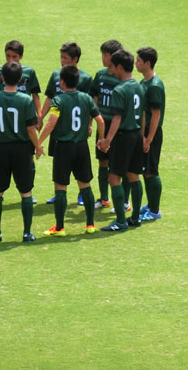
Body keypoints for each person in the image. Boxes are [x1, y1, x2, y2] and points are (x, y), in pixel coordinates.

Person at [37, 65, 105, 236]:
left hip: (63, 148)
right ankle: (90, 225)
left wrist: (38, 143)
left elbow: (51, 123)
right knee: (85, 185)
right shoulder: (86, 98)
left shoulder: (58, 100)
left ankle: (60, 227)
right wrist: (102, 139)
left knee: (61, 187)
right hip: (82, 147)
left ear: (62, 82)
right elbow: (100, 121)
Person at [0, 61, 43, 242]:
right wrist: (38, 146)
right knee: (26, 192)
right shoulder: (25, 100)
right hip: (22, 150)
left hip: (1, 148)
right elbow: (30, 128)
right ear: (21, 79)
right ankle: (27, 233)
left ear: (2, 78)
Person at [0, 39, 42, 204]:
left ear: (21, 56)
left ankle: (28, 189)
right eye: (8, 56)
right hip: (6, 120)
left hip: (25, 120)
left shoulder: (29, 72)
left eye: (14, 56)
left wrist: (39, 116)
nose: (10, 60)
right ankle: (3, 191)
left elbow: (35, 95)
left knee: (29, 157)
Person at [40, 42, 93, 204]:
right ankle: (59, 192)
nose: (62, 61)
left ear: (75, 59)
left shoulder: (86, 78)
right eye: (61, 57)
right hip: (58, 126)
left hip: (76, 129)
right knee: (59, 160)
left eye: (65, 58)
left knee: (79, 161)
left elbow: (90, 104)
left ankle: (82, 193)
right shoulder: (56, 75)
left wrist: (89, 124)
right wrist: (40, 117)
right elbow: (49, 97)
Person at [100, 49, 145, 232]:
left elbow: (117, 118)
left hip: (123, 137)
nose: (111, 70)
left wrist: (107, 140)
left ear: (119, 67)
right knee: (133, 176)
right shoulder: (139, 86)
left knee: (113, 177)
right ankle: (135, 217)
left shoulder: (119, 90)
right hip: (137, 134)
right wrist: (143, 136)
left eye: (113, 66)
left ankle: (120, 221)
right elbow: (142, 114)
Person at [89, 39, 123, 211]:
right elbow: (94, 100)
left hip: (117, 127)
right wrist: (89, 123)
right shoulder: (100, 75)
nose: (103, 58)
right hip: (102, 125)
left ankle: (123, 202)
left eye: (106, 55)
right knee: (103, 161)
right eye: (102, 54)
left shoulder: (121, 78)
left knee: (118, 165)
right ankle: (104, 199)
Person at [136, 47, 166, 222]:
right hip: (144, 133)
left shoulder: (154, 86)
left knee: (151, 171)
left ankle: (155, 211)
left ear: (147, 63)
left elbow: (156, 115)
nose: (136, 63)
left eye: (139, 61)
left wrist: (148, 139)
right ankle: (151, 204)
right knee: (145, 170)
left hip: (151, 133)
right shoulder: (144, 82)